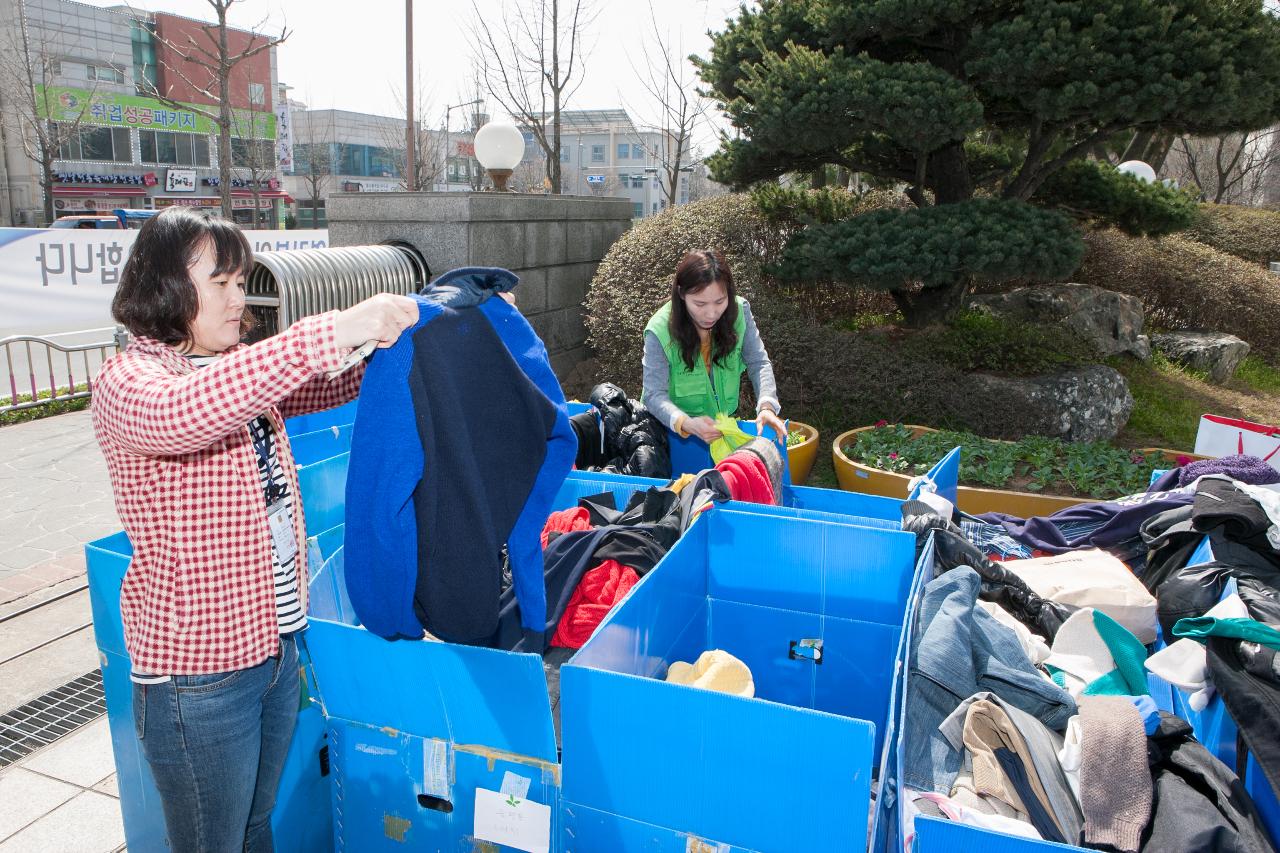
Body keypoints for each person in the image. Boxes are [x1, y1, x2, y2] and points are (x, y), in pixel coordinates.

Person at [91, 206, 418, 852]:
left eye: (242, 282)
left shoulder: (233, 366)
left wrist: (393, 343)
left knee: (252, 826)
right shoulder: (129, 384)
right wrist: (334, 327)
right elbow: (188, 414)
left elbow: (323, 382)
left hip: (273, 650)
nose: (239, 299)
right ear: (164, 285)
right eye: (222, 283)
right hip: (198, 676)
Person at [641, 249, 785, 445]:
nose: (711, 314)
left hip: (723, 428)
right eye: (700, 304)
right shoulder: (659, 330)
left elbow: (758, 362)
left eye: (720, 301)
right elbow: (653, 394)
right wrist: (687, 423)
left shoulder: (739, 312)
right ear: (682, 294)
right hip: (673, 433)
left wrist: (767, 405)